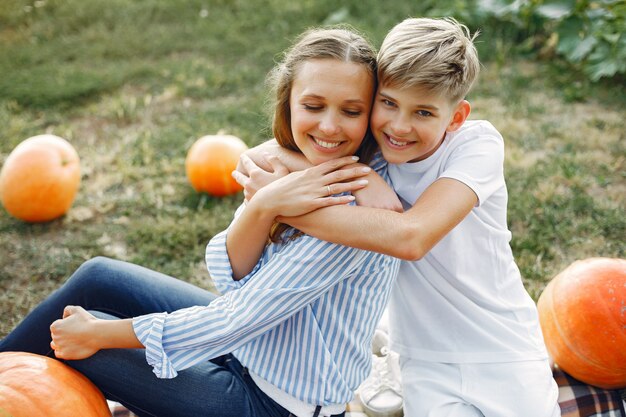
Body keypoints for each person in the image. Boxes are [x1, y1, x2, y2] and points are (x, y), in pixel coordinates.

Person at [0, 27, 401, 417]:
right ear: (289, 103)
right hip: (248, 349)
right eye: (313, 107)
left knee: (84, 335)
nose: (329, 126)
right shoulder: (289, 173)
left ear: (371, 115)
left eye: (351, 111)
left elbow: (234, 317)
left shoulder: (355, 221)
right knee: (99, 277)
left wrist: (98, 334)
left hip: (272, 404)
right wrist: (265, 205)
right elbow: (231, 275)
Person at [234, 17, 561, 417]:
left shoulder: (476, 145)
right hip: (423, 358)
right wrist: (363, 174)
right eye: (388, 103)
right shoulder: (368, 143)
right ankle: (384, 346)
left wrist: (279, 204)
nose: (400, 126)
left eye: (423, 112)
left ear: (456, 117)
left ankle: (381, 340)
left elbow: (411, 238)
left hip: (502, 347)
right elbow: (254, 155)